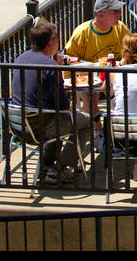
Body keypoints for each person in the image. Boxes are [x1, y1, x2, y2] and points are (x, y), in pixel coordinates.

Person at [10, 20, 91, 184]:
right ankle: (60, 167)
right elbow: (62, 107)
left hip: (18, 125)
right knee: (86, 121)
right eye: (57, 38)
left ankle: (49, 166)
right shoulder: (50, 66)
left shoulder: (21, 57)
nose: (59, 41)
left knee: (58, 119)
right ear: (50, 43)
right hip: (39, 127)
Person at [64, 0, 131, 63]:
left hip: (117, 72)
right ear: (100, 14)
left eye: (120, 10)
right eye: (115, 11)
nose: (120, 14)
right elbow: (68, 59)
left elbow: (133, 51)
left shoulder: (121, 28)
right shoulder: (82, 32)